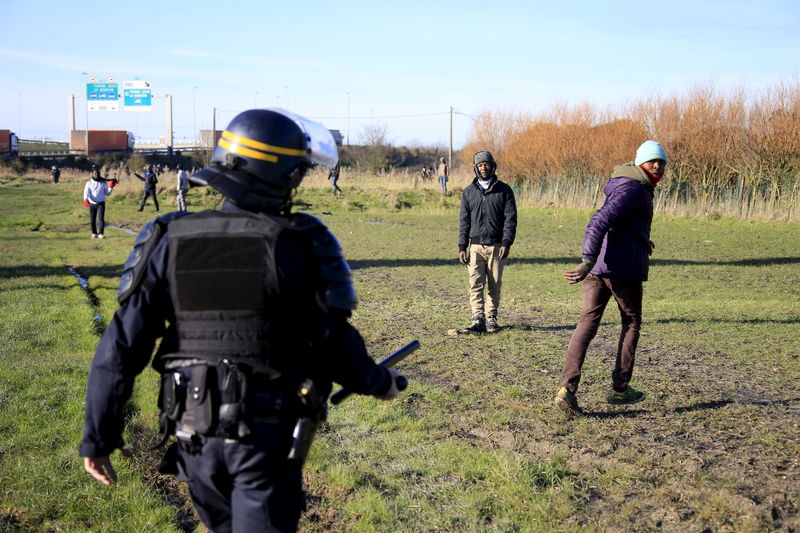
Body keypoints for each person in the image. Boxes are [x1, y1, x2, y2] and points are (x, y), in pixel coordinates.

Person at [79, 108, 405, 533]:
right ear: (283, 174)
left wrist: (98, 435)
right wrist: (380, 383)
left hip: (191, 436)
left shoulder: (168, 236)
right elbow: (333, 342)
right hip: (262, 436)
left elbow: (122, 347)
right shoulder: (297, 241)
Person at [554, 140, 668, 418]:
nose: (657, 166)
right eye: (652, 161)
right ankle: (620, 388)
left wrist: (641, 243)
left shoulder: (625, 184)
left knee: (587, 325)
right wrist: (586, 260)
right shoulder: (634, 189)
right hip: (620, 270)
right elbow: (599, 221)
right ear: (641, 162)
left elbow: (620, 225)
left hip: (602, 268)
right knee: (631, 322)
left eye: (662, 162)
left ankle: (566, 391)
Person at [457, 151, 517, 333]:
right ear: (476, 168)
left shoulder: (504, 191)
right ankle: (477, 319)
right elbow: (464, 221)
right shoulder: (468, 192)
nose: (483, 167)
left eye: (486, 164)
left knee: (494, 284)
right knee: (475, 283)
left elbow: (511, 219)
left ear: (492, 166)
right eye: (480, 165)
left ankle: (491, 318)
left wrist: (506, 242)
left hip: (497, 246)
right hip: (474, 247)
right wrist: (462, 245)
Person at [82, 165, 118, 239]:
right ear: (92, 174)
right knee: (92, 219)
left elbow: (107, 193)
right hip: (92, 204)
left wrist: (111, 187)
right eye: (95, 173)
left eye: (98, 173)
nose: (97, 174)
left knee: (101, 219)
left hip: (101, 204)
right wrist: (86, 200)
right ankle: (94, 233)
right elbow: (86, 192)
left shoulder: (103, 183)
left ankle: (101, 234)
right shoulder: (88, 183)